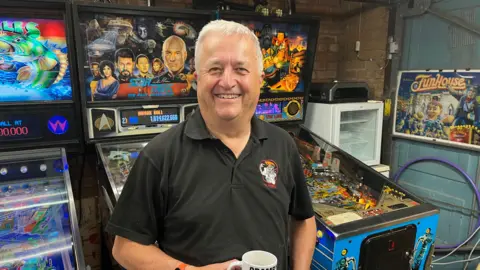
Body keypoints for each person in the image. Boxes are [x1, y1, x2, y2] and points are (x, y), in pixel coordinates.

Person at [106, 19, 316, 270]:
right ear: (197, 77)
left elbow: (304, 220)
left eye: (241, 69)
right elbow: (125, 247)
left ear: (260, 79)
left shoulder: (283, 145)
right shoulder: (160, 155)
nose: (227, 82)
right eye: (215, 69)